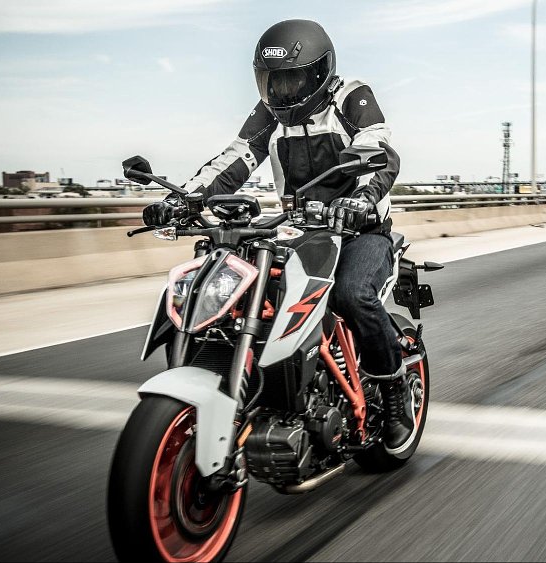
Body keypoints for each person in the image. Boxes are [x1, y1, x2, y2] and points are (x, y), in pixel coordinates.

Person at [142, 19, 415, 452]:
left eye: (292, 79)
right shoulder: (269, 113)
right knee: (247, 287)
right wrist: (185, 199)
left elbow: (375, 147)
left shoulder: (350, 97)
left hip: (360, 229)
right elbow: (235, 158)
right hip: (301, 228)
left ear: (320, 72)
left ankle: (394, 394)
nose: (281, 92)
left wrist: (362, 199)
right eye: (272, 81)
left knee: (352, 294)